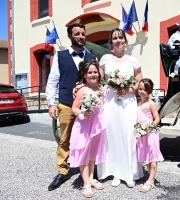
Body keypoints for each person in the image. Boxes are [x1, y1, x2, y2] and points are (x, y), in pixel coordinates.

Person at [46, 23, 97, 191]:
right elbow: (53, 81)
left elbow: (97, 81)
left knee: (89, 139)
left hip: (88, 107)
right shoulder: (60, 56)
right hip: (67, 104)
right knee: (65, 139)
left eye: (83, 33)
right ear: (70, 36)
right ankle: (62, 171)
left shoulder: (92, 57)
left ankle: (89, 171)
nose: (81, 36)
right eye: (77, 34)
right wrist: (52, 103)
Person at [97, 28, 144, 187]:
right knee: (111, 134)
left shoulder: (133, 61)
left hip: (127, 101)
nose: (118, 41)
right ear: (111, 42)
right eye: (114, 38)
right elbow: (99, 80)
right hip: (110, 101)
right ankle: (115, 171)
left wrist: (128, 90)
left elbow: (139, 83)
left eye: (120, 38)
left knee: (128, 134)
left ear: (125, 40)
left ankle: (128, 172)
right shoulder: (105, 59)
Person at [69, 60, 106, 198]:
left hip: (97, 125)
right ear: (84, 75)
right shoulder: (82, 90)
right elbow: (74, 108)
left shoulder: (101, 89)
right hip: (84, 125)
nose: (93, 75)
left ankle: (91, 178)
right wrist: (83, 114)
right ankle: (86, 183)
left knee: (92, 154)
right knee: (84, 154)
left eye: (95, 72)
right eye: (89, 72)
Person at [135, 78, 164, 193]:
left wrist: (149, 128)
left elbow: (157, 119)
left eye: (145, 90)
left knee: (152, 157)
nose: (142, 91)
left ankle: (150, 181)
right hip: (141, 134)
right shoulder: (138, 102)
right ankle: (150, 177)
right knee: (146, 157)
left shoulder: (151, 103)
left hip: (150, 133)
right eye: (140, 89)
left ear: (150, 91)